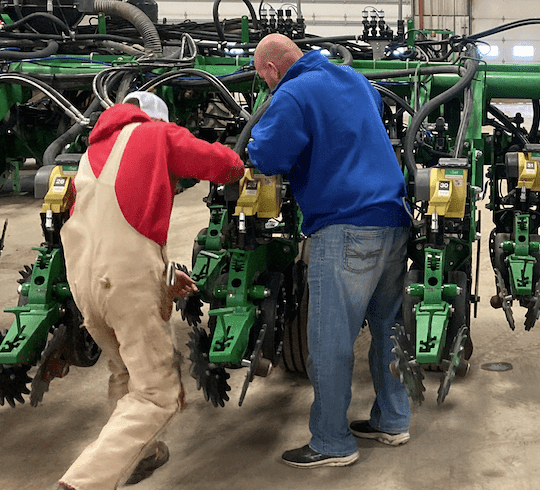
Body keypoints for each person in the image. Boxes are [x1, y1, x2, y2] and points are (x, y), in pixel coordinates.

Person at [57, 91, 244, 489]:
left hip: (84, 283)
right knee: (158, 394)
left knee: (124, 366)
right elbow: (224, 165)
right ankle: (81, 482)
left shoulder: (91, 154)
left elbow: (114, 232)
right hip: (122, 283)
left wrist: (164, 276)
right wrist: (243, 160)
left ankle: (142, 454)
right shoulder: (155, 134)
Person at [247, 33, 412, 468]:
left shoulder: (293, 92)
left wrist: (251, 142)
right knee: (387, 328)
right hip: (393, 221)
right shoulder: (355, 79)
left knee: (330, 340)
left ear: (270, 69)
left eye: (263, 78)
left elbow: (267, 155)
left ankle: (332, 442)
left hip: (345, 229)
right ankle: (393, 420)